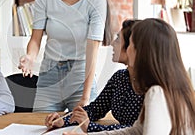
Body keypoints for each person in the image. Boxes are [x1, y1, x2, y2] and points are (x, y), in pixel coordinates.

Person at [18, 0, 112, 112]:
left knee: (82, 128)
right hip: (49, 75)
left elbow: (93, 48)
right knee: (40, 127)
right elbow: (36, 38)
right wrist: (30, 57)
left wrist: (85, 97)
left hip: (80, 75)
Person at [63, 18, 195, 135]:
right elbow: (135, 131)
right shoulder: (168, 89)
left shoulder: (157, 93)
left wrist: (91, 128)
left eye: (131, 43)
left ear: (142, 51)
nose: (125, 48)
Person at [45, 19, 144, 132]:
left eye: (118, 39)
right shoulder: (119, 78)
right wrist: (64, 120)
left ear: (132, 47)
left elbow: (135, 130)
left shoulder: (149, 87)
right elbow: (95, 109)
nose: (112, 44)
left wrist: (90, 127)